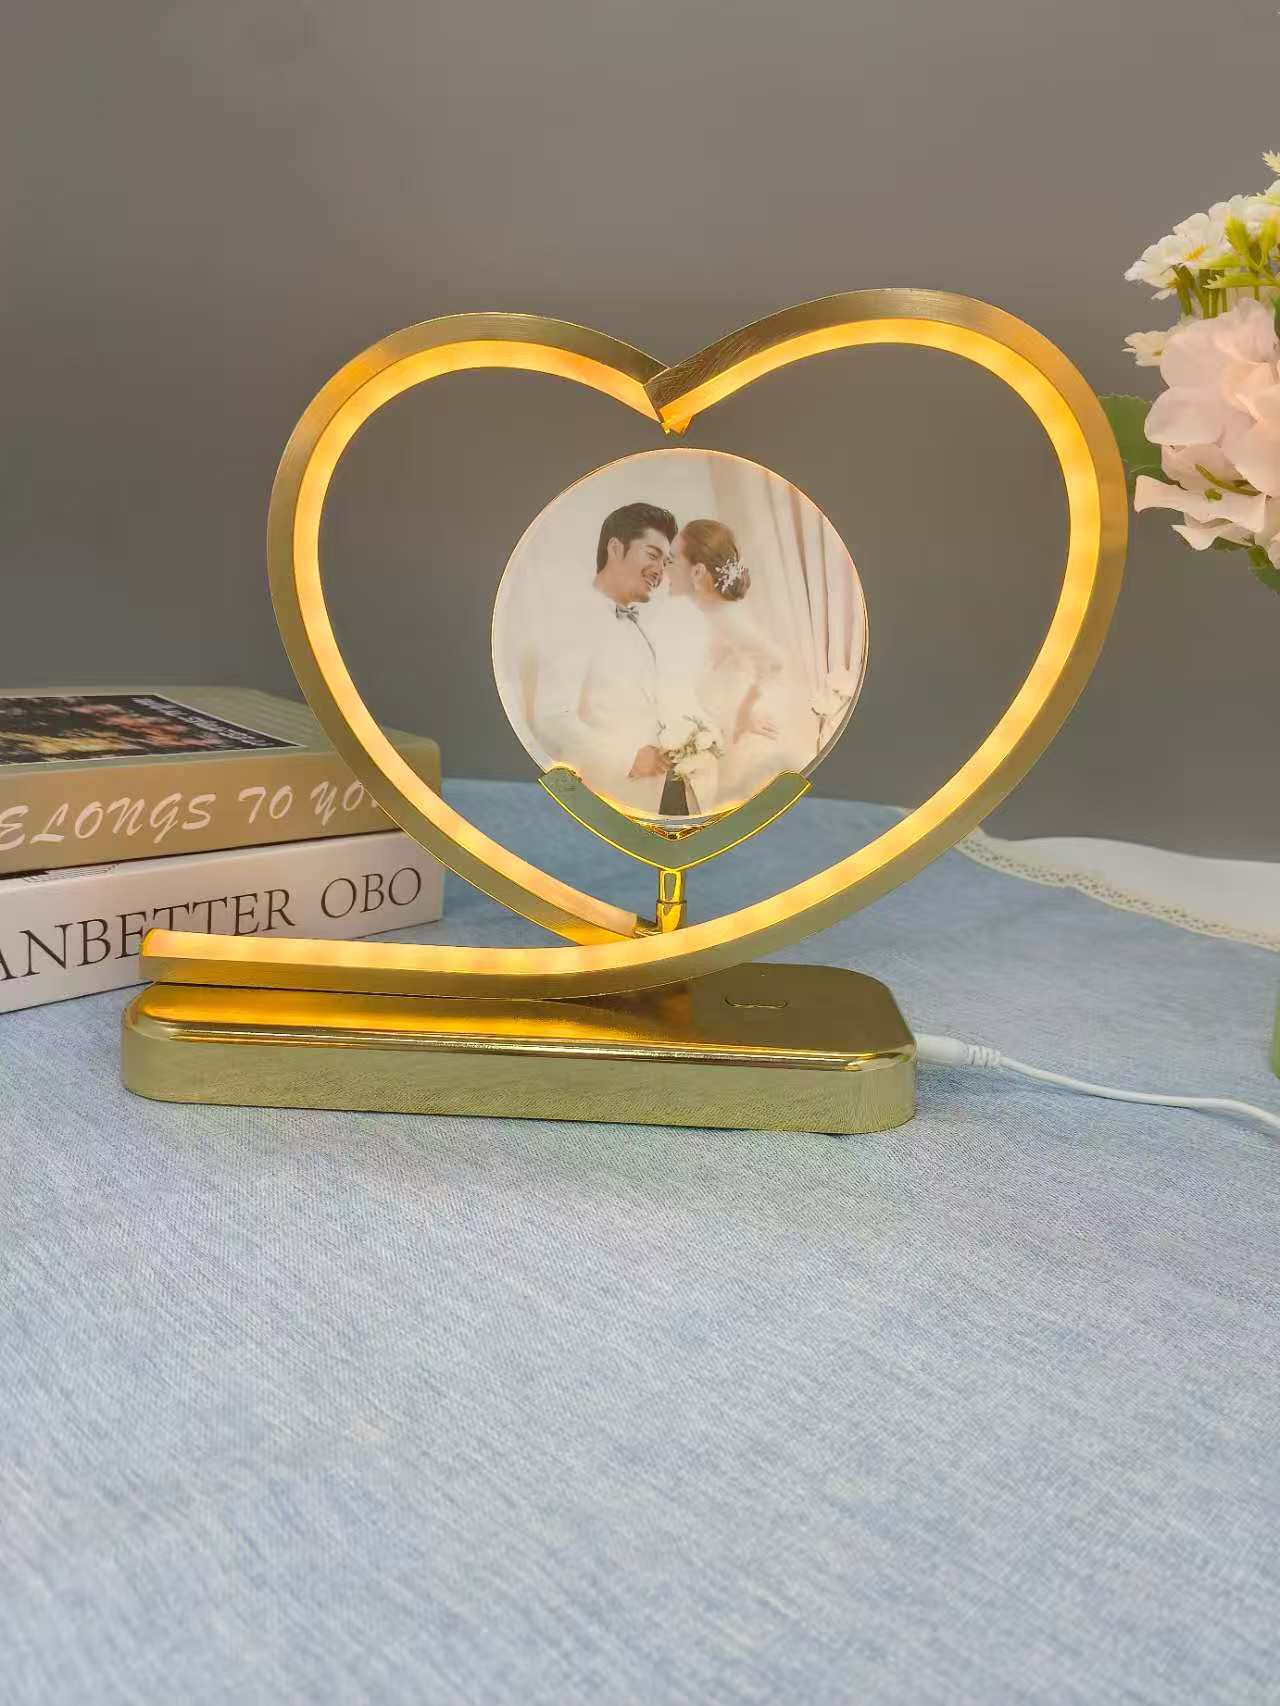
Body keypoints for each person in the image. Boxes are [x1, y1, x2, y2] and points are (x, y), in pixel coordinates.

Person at [530, 501, 677, 816]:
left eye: (666, 562)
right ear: (615, 548)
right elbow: (552, 717)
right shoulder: (574, 616)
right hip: (597, 802)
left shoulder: (639, 628)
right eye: (653, 555)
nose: (660, 571)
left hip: (646, 803)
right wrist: (628, 758)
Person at [657, 518, 812, 814]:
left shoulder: (727, 617)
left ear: (697, 572)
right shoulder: (707, 613)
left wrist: (745, 711)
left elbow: (775, 661)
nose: (665, 568)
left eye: (672, 559)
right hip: (719, 731)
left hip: (741, 736)